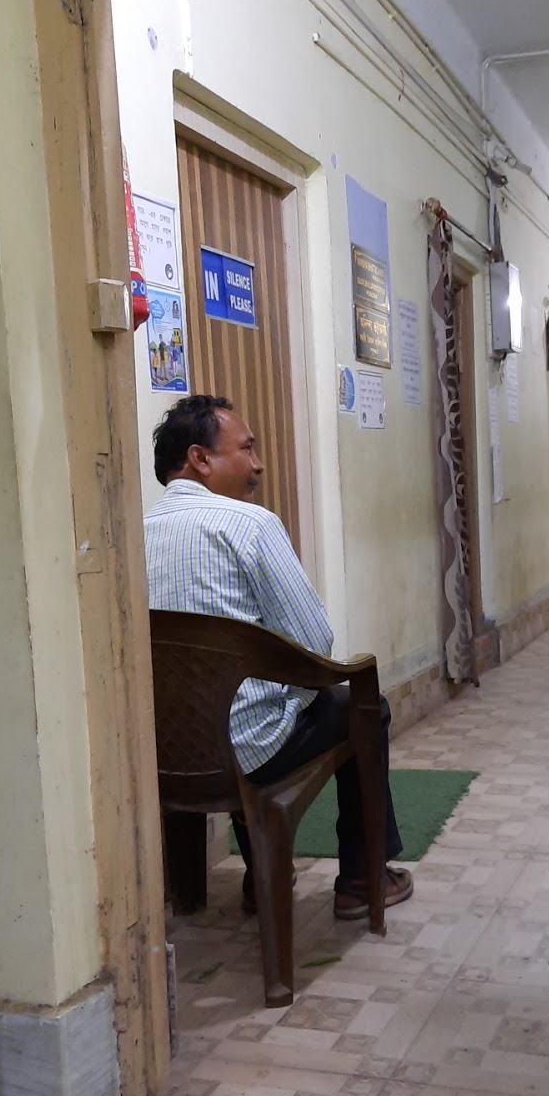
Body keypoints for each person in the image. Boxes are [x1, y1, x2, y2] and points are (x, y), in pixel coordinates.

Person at [145, 394, 413, 920]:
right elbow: (315, 642)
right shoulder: (251, 525)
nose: (259, 464)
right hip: (249, 750)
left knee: (241, 706)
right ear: (200, 458)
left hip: (163, 753)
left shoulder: (135, 534)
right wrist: (282, 691)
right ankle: (362, 881)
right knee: (362, 706)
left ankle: (261, 875)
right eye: (246, 449)